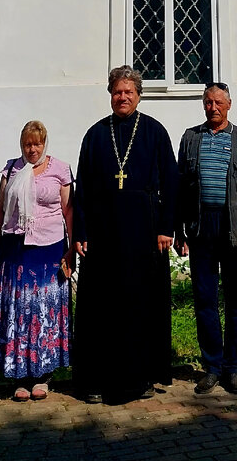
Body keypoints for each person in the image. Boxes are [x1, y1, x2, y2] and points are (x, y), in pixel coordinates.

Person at [73, 66, 179, 403]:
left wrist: (166, 228)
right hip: (103, 237)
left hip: (144, 236)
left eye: (128, 92)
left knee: (140, 305)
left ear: (138, 94)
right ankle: (95, 380)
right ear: (110, 94)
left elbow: (172, 183)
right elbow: (83, 190)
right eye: (118, 92)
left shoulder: (154, 132)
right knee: (100, 306)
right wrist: (81, 231)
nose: (123, 97)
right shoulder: (94, 135)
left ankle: (141, 377)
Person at [176, 82, 237, 395]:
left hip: (235, 226)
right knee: (205, 300)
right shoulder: (191, 138)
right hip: (201, 228)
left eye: (218, 102)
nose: (213, 107)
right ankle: (212, 366)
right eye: (208, 102)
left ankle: (234, 368)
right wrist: (178, 231)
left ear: (229, 105)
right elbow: (180, 187)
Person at [0, 119, 74, 401]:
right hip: (16, 249)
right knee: (19, 310)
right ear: (21, 144)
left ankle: (43, 374)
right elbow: (1, 209)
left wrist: (72, 248)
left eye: (37, 143)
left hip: (49, 250)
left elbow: (69, 211)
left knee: (43, 310)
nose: (32, 149)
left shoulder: (60, 170)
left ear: (44, 143)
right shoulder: (11, 169)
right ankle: (20, 374)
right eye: (27, 144)